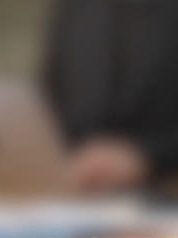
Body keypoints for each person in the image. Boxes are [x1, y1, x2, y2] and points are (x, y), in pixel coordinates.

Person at [44, 0, 178, 192]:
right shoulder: (77, 7)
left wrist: (148, 156)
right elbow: (50, 97)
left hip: (163, 191)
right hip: (76, 191)